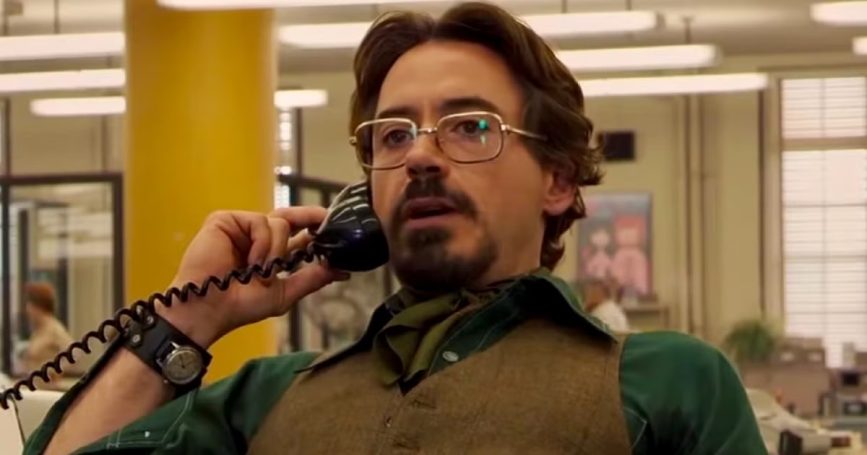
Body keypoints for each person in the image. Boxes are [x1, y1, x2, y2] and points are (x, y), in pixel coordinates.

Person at [25, 3, 766, 454]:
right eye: (393, 134)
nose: (419, 155)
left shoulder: (668, 380)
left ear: (558, 180)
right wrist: (188, 319)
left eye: (470, 126)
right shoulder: (269, 396)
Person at [20, 282, 74, 378]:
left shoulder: (54, 329)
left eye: (29, 304)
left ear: (37, 306)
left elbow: (74, 352)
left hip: (46, 385)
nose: (27, 309)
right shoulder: (38, 331)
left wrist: (55, 371)